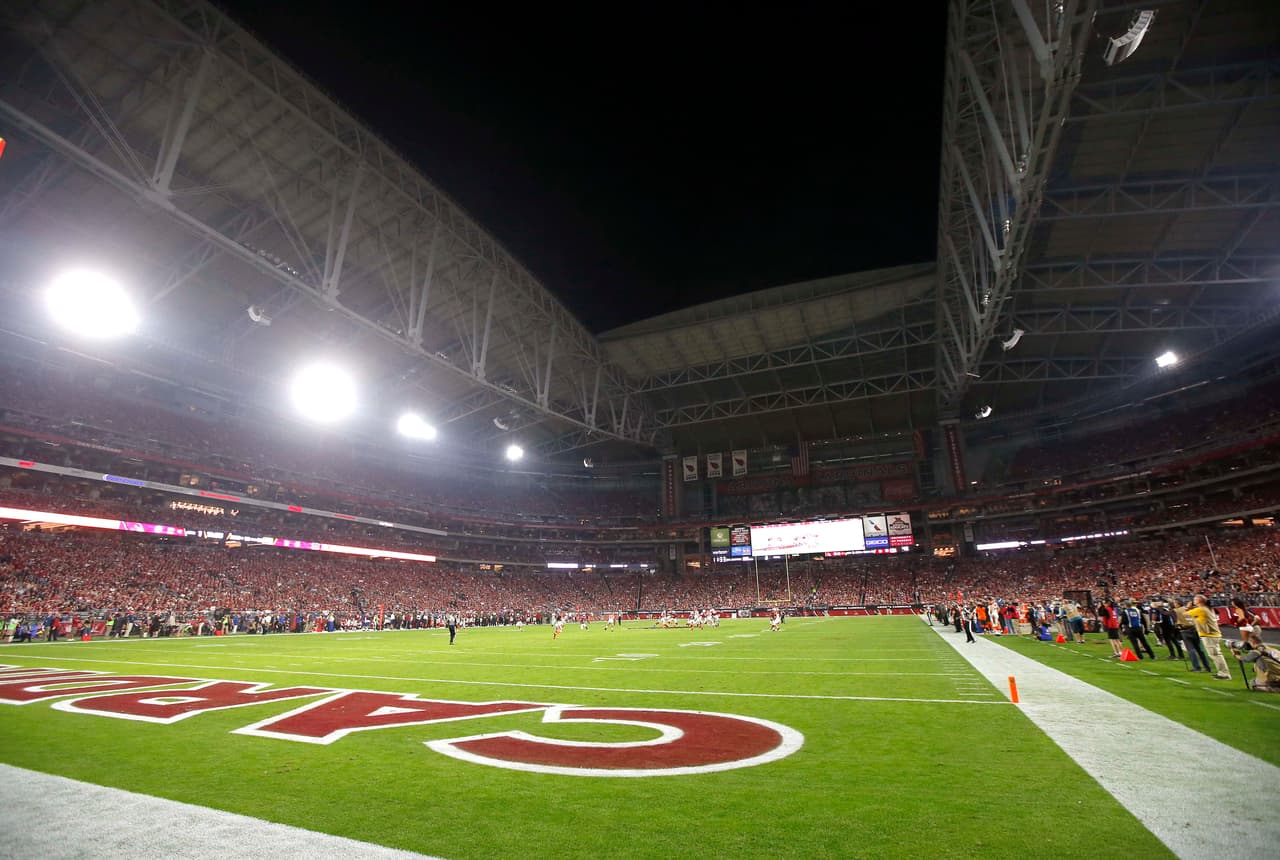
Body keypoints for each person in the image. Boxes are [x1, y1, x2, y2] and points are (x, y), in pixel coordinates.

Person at [1186, 595, 1231, 680]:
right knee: (1216, 654)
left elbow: (1185, 614)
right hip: (1212, 634)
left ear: (1199, 601)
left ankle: (1224, 674)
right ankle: (1222, 673)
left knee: (1215, 655)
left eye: (1195, 599)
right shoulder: (1207, 608)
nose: (1193, 600)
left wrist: (1188, 607)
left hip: (1209, 635)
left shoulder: (1200, 609)